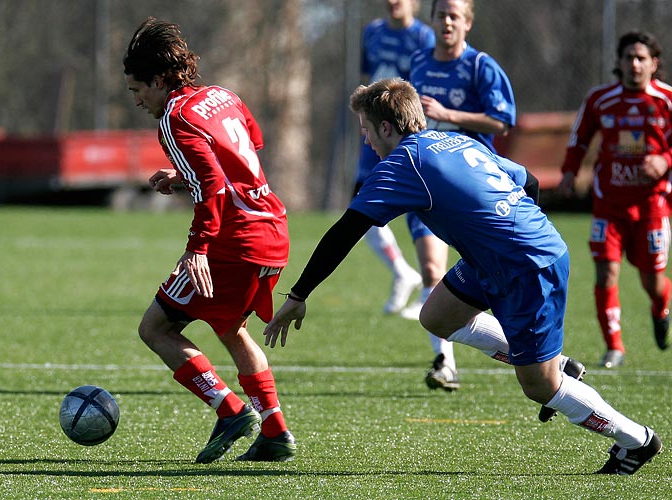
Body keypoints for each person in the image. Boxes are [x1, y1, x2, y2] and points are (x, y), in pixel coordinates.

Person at [264, 78, 662, 474]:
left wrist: (298, 294)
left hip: (527, 265)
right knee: (437, 316)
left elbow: (345, 231)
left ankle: (636, 440)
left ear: (387, 128)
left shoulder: (406, 162)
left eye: (366, 130)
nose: (366, 141)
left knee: (539, 386)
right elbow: (530, 181)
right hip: (501, 256)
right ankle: (554, 359)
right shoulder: (457, 141)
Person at [123, 18, 296, 463]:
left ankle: (231, 411)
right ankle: (275, 433)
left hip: (233, 242)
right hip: (272, 230)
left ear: (160, 80)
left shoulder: (173, 118)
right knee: (229, 327)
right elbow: (248, 147)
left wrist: (198, 245)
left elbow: (215, 185)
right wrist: (184, 175)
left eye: (137, 89)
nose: (137, 99)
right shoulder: (222, 96)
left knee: (155, 328)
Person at [404, 0, 517, 391]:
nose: (447, 22)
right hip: (426, 185)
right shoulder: (418, 62)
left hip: (473, 190)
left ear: (467, 23)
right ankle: (444, 362)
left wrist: (451, 116)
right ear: (431, 20)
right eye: (441, 14)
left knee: (493, 279)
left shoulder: (480, 67)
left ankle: (537, 357)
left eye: (455, 16)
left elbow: (502, 121)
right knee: (432, 271)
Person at [558, 30, 672, 368]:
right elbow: (580, 137)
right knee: (606, 272)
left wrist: (665, 159)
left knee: (652, 280)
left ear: (654, 64)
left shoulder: (667, 100)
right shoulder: (600, 99)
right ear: (619, 63)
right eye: (628, 58)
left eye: (641, 58)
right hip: (608, 203)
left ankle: (661, 306)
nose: (634, 64)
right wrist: (569, 171)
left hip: (653, 206)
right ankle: (614, 346)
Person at [354, 0, 435, 316]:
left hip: (406, 135)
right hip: (376, 133)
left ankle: (431, 286)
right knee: (360, 206)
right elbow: (366, 79)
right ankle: (402, 271)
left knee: (421, 208)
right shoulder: (372, 32)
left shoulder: (425, 38)